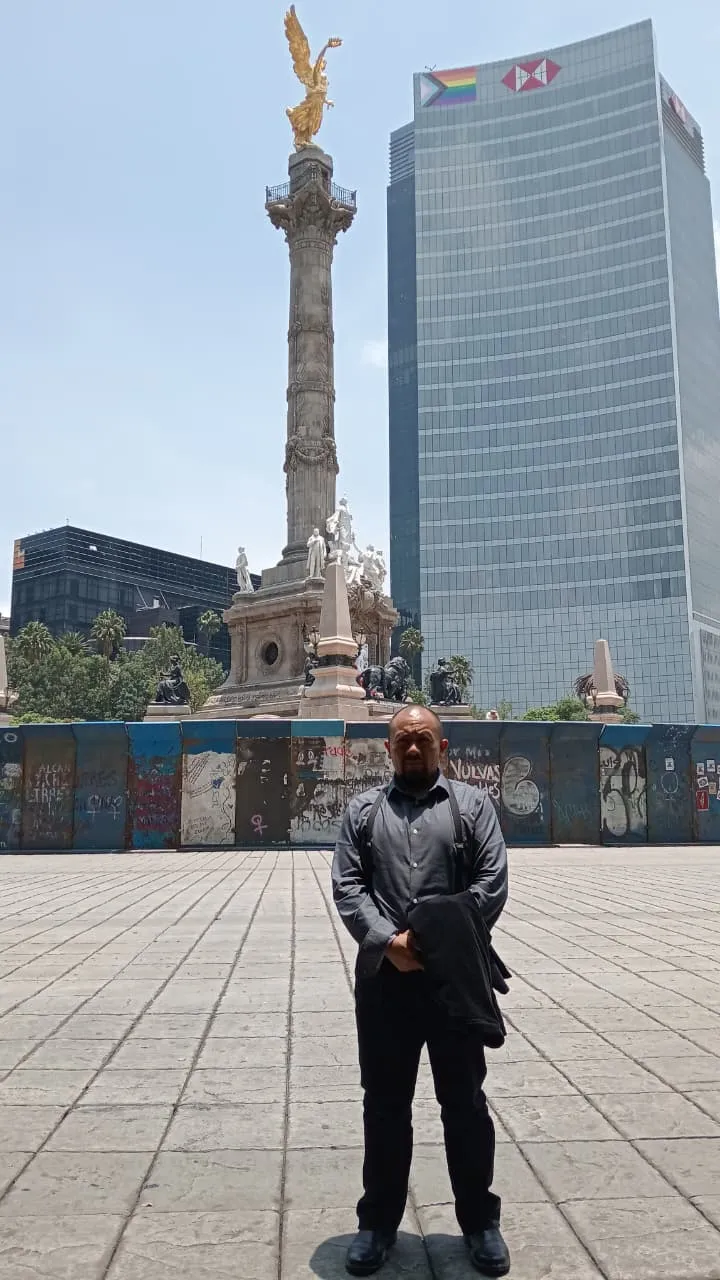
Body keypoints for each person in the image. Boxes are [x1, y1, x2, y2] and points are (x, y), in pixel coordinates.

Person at [332, 705, 510, 1277]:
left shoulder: (472, 808)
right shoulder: (362, 812)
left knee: (465, 1105)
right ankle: (377, 1224)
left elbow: (491, 884)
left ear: (443, 745)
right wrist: (389, 942)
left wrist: (430, 942)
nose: (413, 749)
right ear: (388, 748)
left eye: (424, 740)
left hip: (453, 983)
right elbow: (348, 886)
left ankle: (480, 1223)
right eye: (403, 740)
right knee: (384, 1107)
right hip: (386, 981)